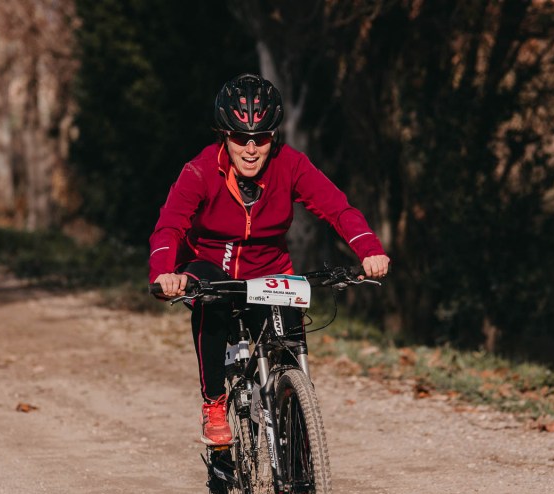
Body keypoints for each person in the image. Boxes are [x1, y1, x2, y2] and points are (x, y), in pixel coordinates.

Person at [150, 73, 390, 445]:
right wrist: (165, 273)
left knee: (290, 349)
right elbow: (169, 227)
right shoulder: (199, 171)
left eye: (261, 138)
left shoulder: (290, 165)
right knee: (211, 302)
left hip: (269, 272)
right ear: (224, 136)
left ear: (273, 137)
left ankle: (300, 451)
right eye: (239, 138)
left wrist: (369, 249)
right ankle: (214, 403)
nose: (250, 149)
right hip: (210, 264)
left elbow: (338, 209)